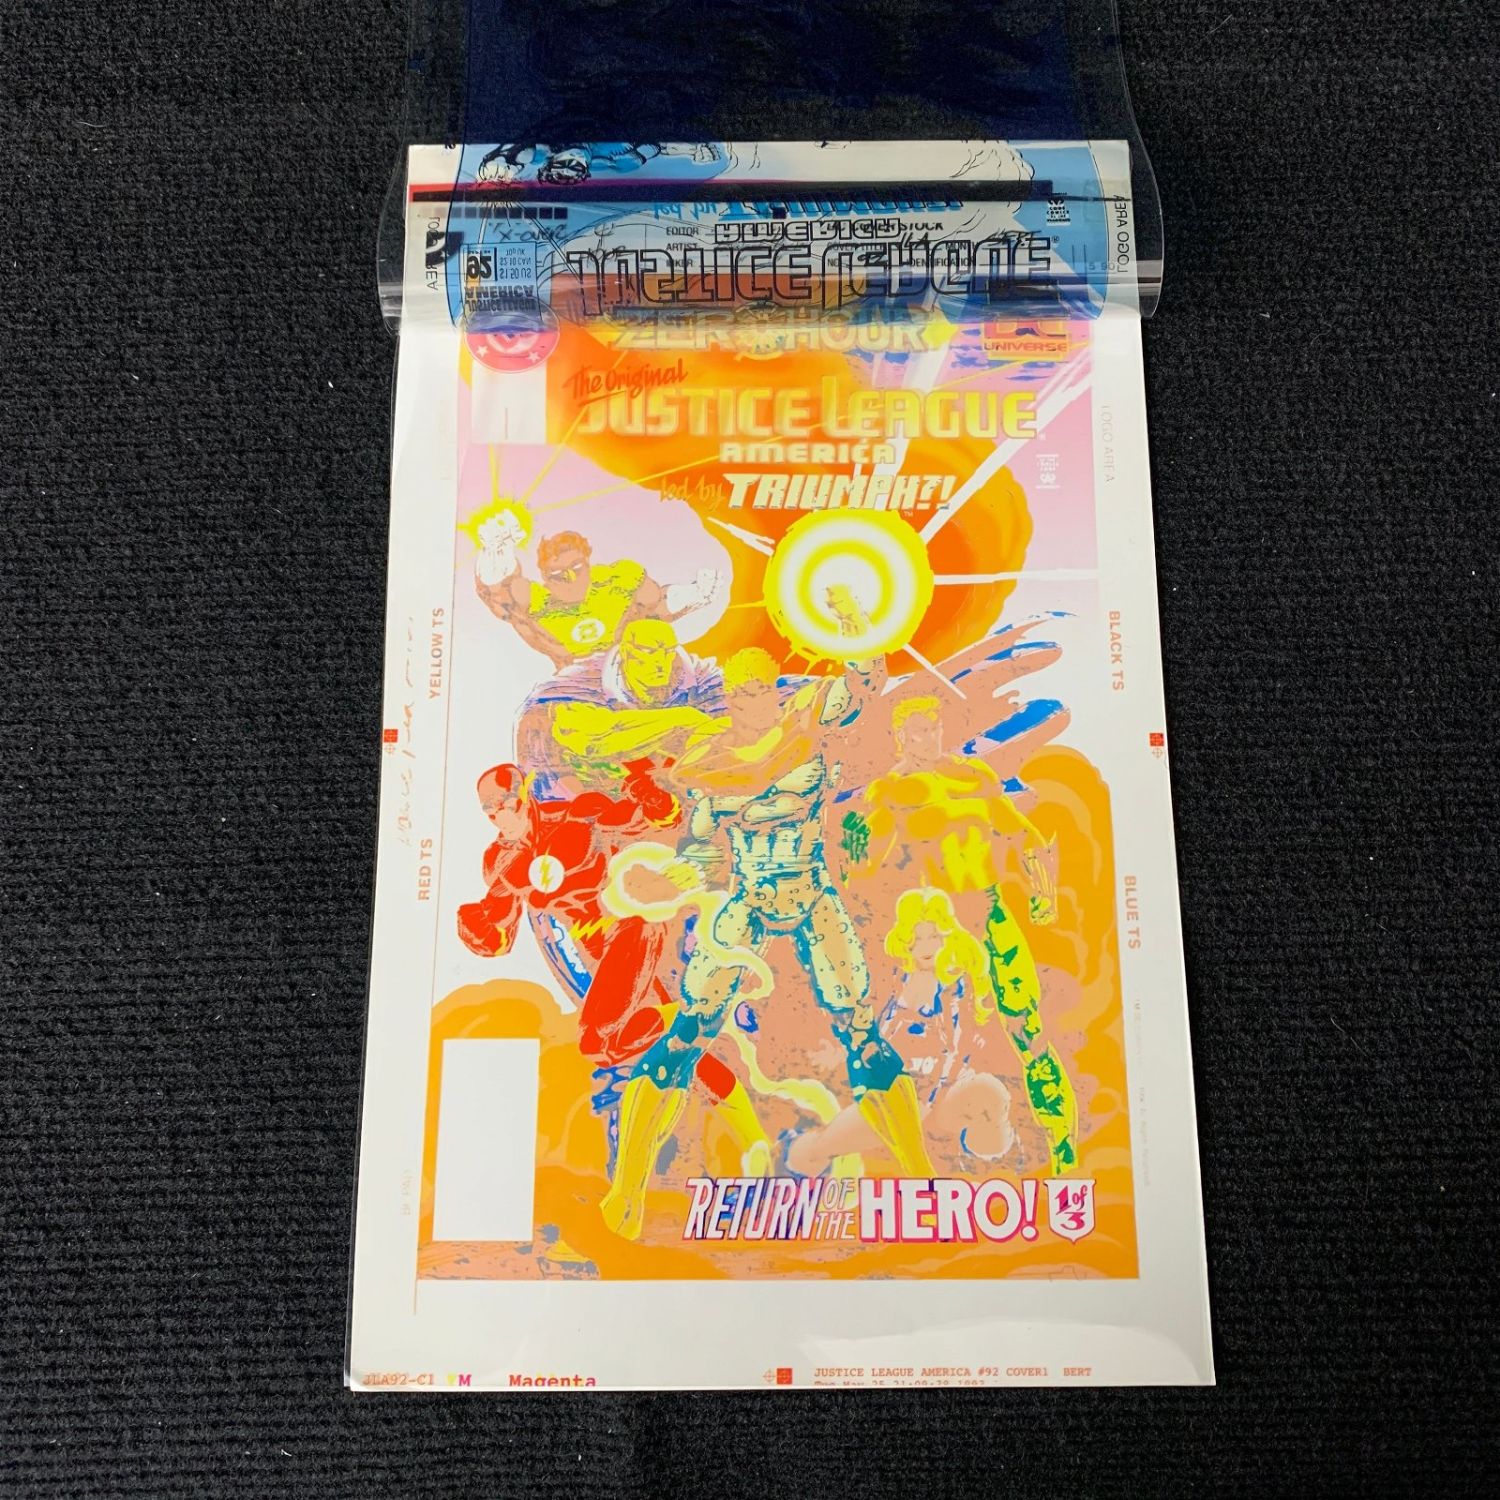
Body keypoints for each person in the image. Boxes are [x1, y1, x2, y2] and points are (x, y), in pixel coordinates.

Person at [599, 588, 936, 1241]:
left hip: (810, 889)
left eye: (757, 690)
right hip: (749, 897)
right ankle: (627, 1189)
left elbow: (865, 681)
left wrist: (853, 621)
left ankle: (921, 1175)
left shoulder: (805, 721)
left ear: (773, 692)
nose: (746, 700)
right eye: (737, 691)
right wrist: (676, 875)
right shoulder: (712, 758)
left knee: (862, 1034)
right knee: (686, 1035)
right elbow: (701, 850)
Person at [456, 761, 770, 1170]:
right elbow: (500, 935)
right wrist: (477, 928)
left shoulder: (577, 814)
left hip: (632, 925)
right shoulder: (498, 862)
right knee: (677, 1055)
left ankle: (681, 1019)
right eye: (489, 810)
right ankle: (754, 1138)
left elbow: (660, 818)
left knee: (598, 1042)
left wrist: (646, 791)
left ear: (524, 792)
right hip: (600, 957)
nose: (501, 817)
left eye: (506, 804)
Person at [853, 696, 1080, 1173]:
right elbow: (866, 863)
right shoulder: (891, 790)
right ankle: (918, 1157)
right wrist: (858, 840)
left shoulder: (972, 775)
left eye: (934, 726)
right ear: (900, 736)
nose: (929, 736)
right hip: (941, 922)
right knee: (932, 1039)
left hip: (991, 910)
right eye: (918, 729)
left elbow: (1021, 832)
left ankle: (1063, 1144)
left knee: (1027, 1025)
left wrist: (1042, 886)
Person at [785, 887, 1017, 1177]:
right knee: (820, 1149)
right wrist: (840, 1054)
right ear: (906, 942)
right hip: (886, 1087)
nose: (926, 946)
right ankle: (787, 1162)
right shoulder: (897, 979)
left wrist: (931, 1096)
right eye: (918, 939)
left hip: (931, 1092)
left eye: (934, 937)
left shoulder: (953, 988)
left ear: (947, 938)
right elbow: (871, 1030)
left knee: (988, 1096)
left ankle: (979, 1151)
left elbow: (953, 1050)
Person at [473, 512, 722, 669]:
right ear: (544, 575)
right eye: (558, 574)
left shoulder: (617, 583)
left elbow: (656, 605)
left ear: (588, 562)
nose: (571, 580)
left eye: (576, 568)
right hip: (574, 685)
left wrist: (694, 594)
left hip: (633, 674)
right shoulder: (536, 603)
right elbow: (497, 593)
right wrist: (496, 551)